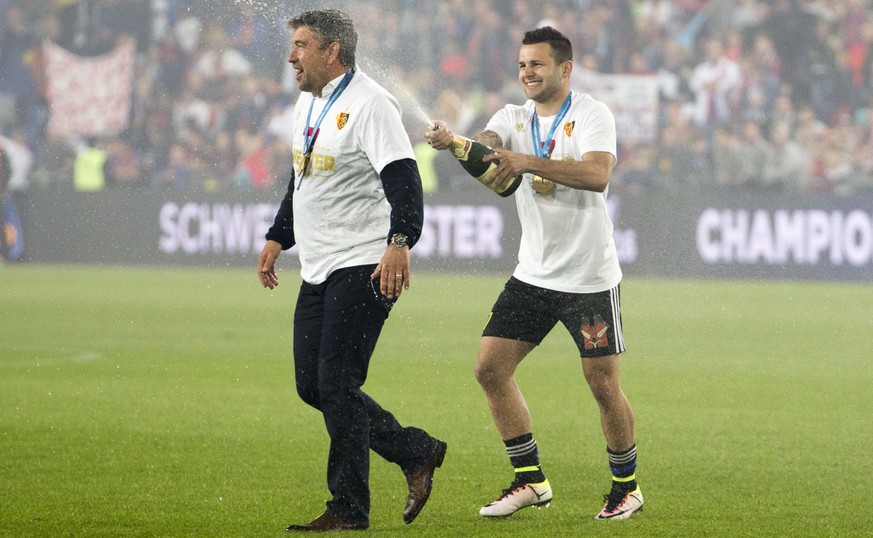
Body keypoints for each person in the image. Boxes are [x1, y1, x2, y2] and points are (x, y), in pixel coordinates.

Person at [426, 26, 643, 520]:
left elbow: (598, 175)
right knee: (489, 369)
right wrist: (457, 142)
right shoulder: (512, 115)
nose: (528, 72)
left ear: (564, 69)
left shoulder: (590, 114)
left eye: (538, 64)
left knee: (602, 385)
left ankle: (626, 487)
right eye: (523, 64)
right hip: (533, 275)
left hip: (588, 279)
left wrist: (526, 161)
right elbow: (488, 142)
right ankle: (530, 480)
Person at [256, 9, 446, 532]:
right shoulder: (308, 104)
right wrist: (279, 236)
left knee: (337, 381)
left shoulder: (371, 105)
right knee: (312, 385)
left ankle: (347, 509)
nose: (291, 56)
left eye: (301, 45)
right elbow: (303, 179)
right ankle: (415, 450)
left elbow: (405, 179)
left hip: (364, 264)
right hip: (319, 266)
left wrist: (400, 242)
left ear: (332, 51)